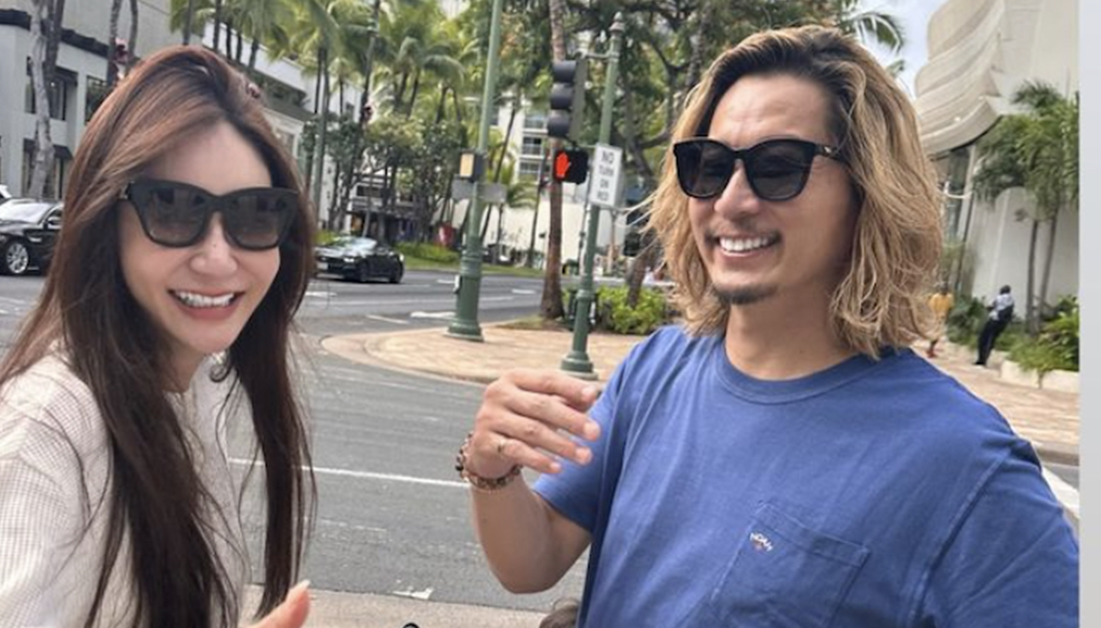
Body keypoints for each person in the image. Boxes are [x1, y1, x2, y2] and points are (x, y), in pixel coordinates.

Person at [457, 26, 1077, 627]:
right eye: (709, 165)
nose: (731, 201)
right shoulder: (655, 369)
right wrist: (492, 467)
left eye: (778, 167)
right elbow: (533, 561)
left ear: (868, 192)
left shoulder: (964, 465)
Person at [0, 47, 317, 628]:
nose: (218, 258)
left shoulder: (189, 385)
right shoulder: (43, 431)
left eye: (254, 214)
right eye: (174, 209)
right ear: (105, 220)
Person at [976, 284, 1016, 366]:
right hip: (1002, 323)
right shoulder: (1011, 300)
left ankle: (981, 359)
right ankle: (985, 358)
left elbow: (991, 306)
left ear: (1002, 290)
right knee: (992, 340)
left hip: (993, 320)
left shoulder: (999, 298)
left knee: (984, 339)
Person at [926, 283, 954, 358]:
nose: (944, 290)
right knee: (935, 335)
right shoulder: (935, 297)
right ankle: (930, 350)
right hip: (935, 318)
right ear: (940, 289)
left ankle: (930, 349)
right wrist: (935, 318)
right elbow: (931, 309)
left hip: (943, 318)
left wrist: (948, 317)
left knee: (938, 335)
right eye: (942, 289)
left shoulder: (949, 297)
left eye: (945, 289)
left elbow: (950, 308)